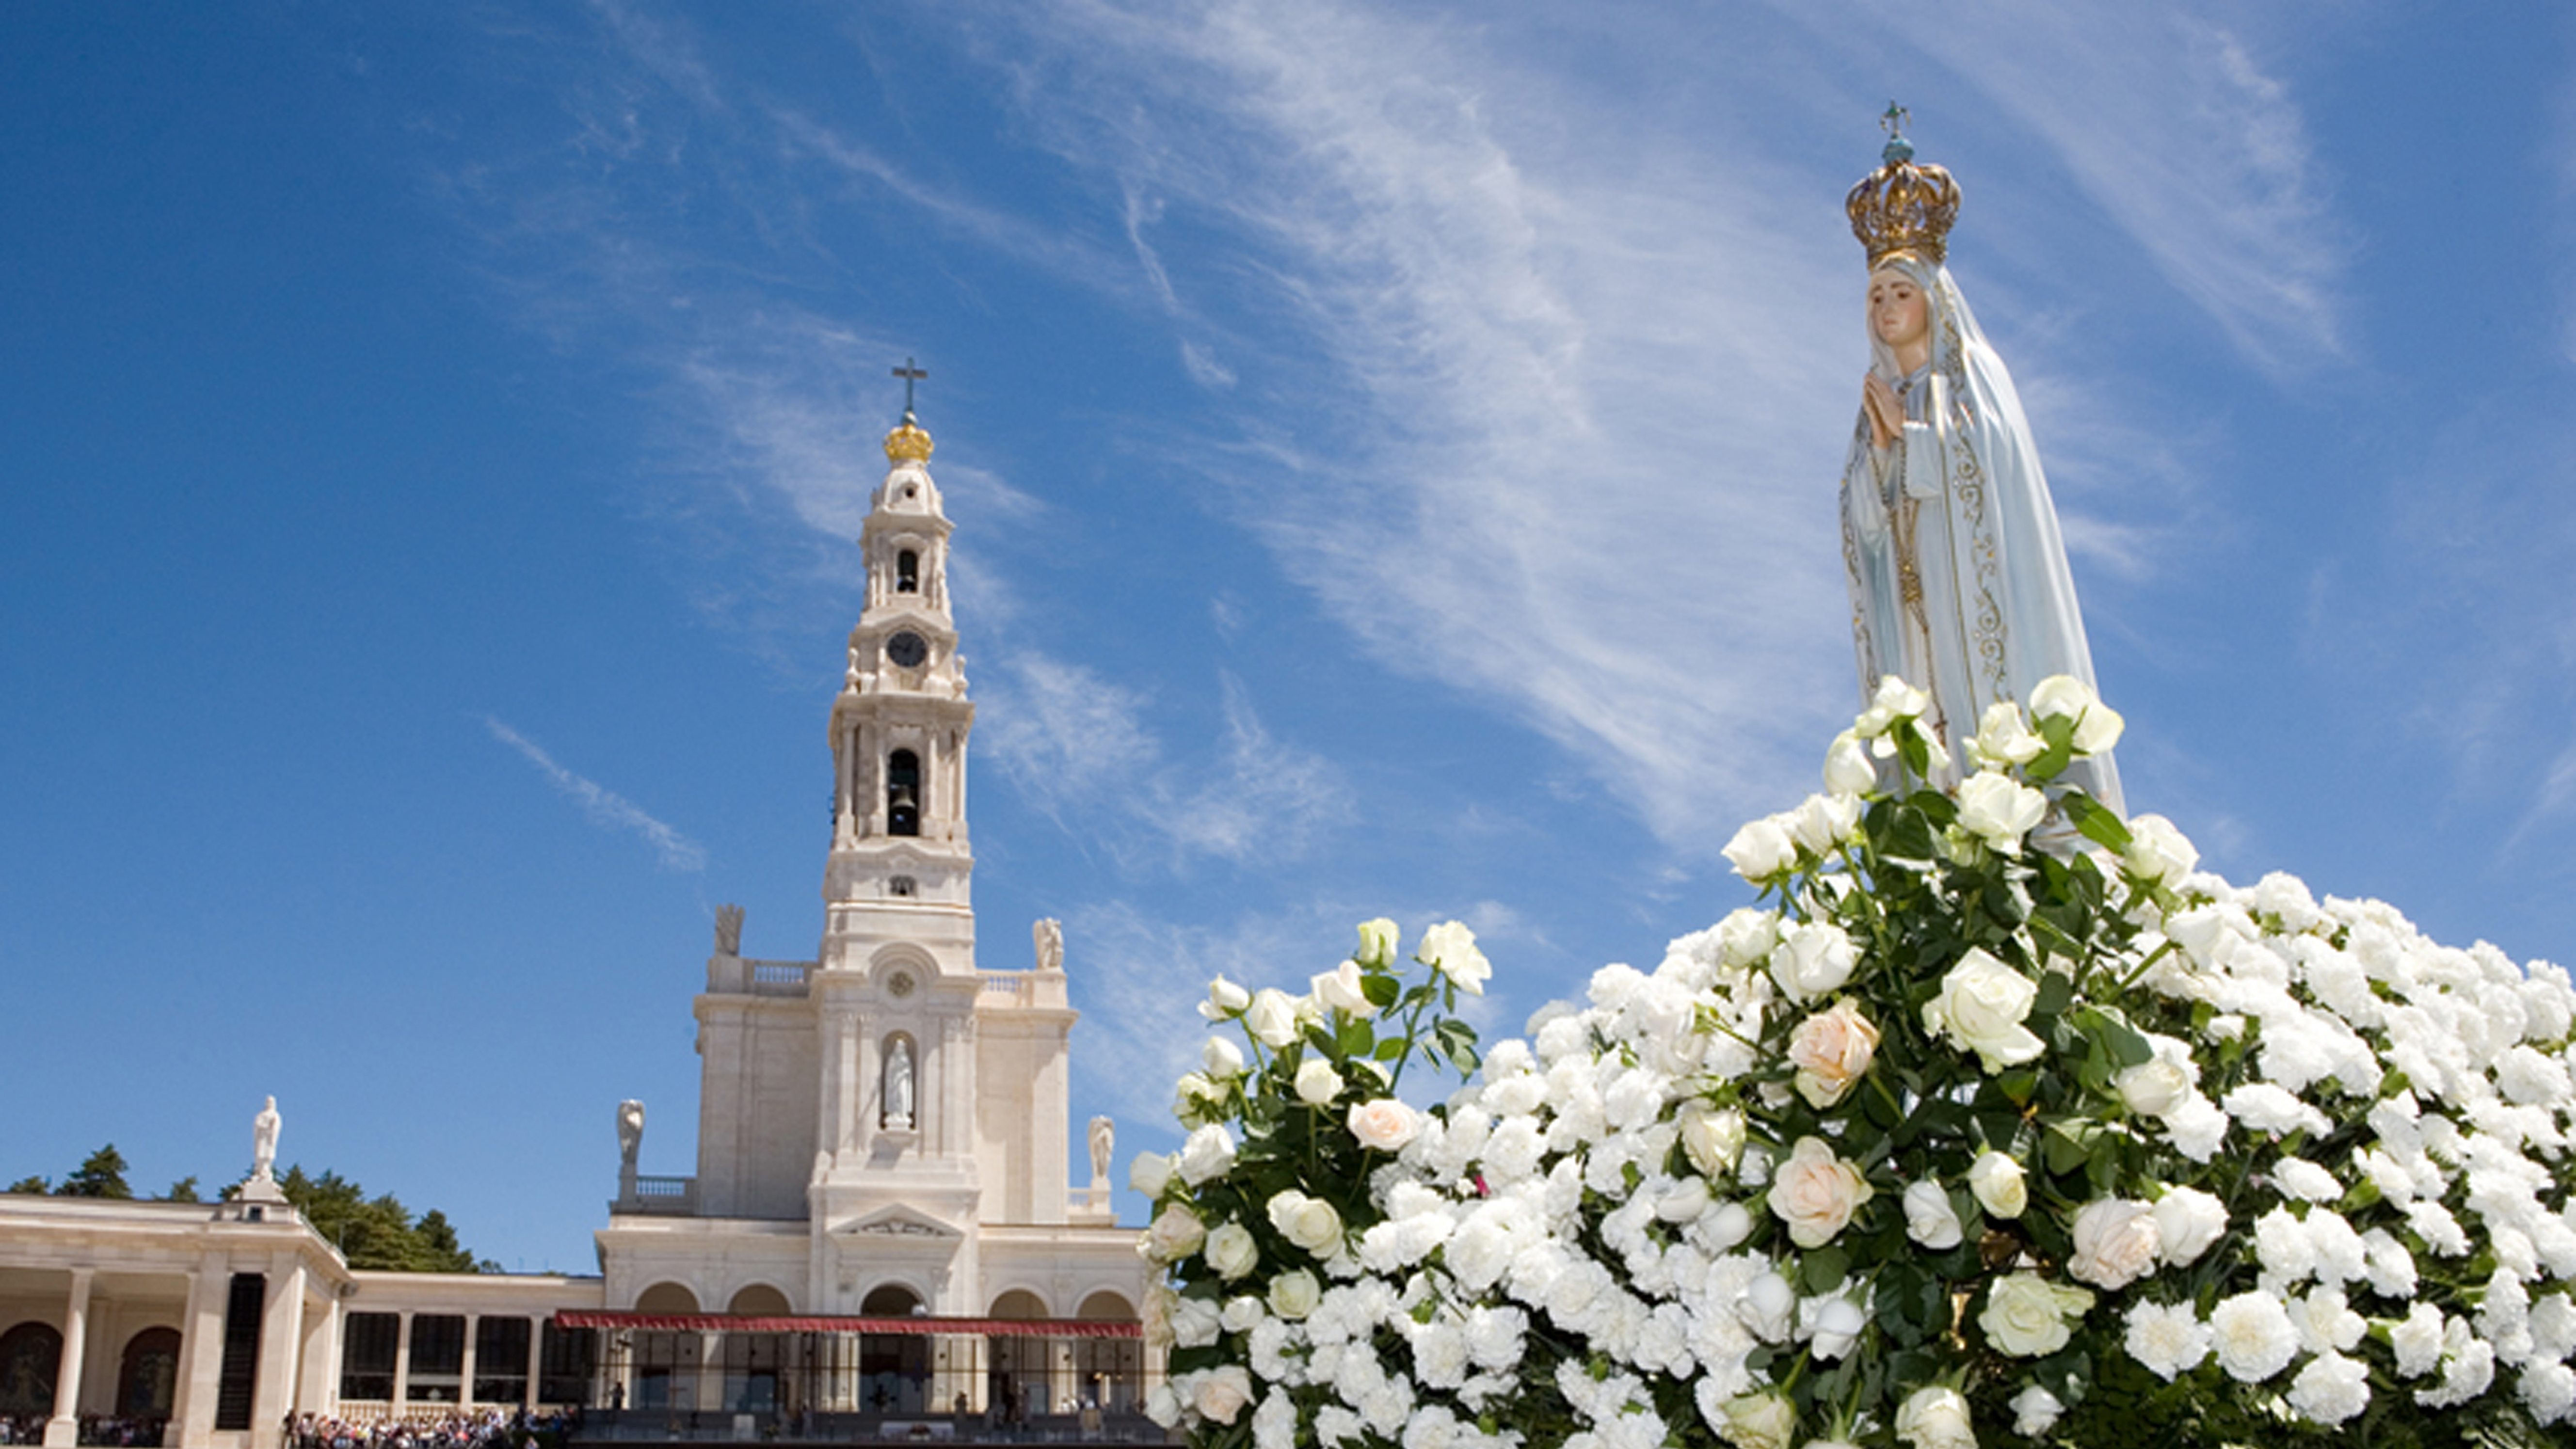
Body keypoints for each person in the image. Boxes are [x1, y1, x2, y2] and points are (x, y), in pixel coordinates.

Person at [1838, 114, 2122, 813]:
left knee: (1987, 732)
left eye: (1901, 292)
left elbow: (1994, 466)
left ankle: (2010, 809)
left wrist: (1914, 438)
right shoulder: (1877, 401)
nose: (1886, 307)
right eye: (1876, 295)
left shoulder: (1972, 377)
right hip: (1913, 607)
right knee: (1924, 729)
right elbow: (1863, 521)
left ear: (1933, 300)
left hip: (1972, 595)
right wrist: (1883, 455)